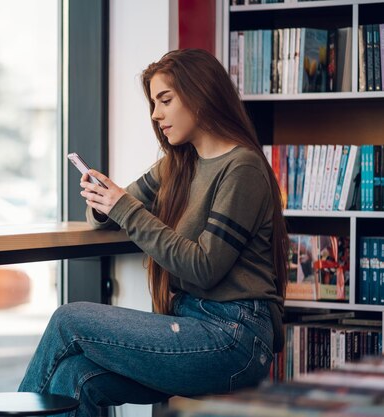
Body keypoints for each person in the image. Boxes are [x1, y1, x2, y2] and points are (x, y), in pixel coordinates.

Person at [18, 48, 288, 416]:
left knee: (68, 319)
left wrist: (121, 206)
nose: (156, 114)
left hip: (234, 338)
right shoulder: (178, 165)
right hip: (190, 323)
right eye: (153, 103)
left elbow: (204, 267)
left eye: (165, 100)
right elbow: (116, 215)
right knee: (76, 375)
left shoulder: (242, 168)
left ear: (201, 94)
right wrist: (103, 200)